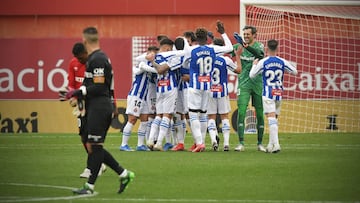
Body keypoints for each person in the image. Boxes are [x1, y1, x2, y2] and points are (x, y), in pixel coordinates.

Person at [69, 27, 134, 195]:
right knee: (92, 145)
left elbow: (99, 87)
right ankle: (124, 174)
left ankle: (90, 186)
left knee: (95, 146)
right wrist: (76, 92)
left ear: (85, 41)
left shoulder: (98, 59)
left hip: (99, 106)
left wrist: (80, 91)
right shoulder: (95, 59)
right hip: (95, 105)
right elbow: (92, 84)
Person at [183, 20, 233, 152]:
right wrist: (223, 33)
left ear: (196, 38)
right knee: (204, 114)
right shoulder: (213, 49)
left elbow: (184, 64)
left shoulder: (191, 50)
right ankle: (201, 142)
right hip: (207, 86)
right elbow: (230, 48)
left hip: (195, 86)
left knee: (193, 114)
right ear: (206, 38)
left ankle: (199, 143)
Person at [60, 42, 107, 178]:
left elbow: (101, 85)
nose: (80, 61)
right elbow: (71, 83)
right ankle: (99, 164)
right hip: (81, 104)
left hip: (93, 102)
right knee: (83, 136)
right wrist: (72, 96)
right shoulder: (73, 64)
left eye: (81, 58)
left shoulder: (94, 63)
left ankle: (92, 167)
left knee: (92, 136)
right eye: (78, 59)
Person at [249, 39, 298, 153]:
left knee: (271, 119)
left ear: (267, 48)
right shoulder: (282, 61)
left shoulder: (264, 62)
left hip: (268, 93)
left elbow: (252, 75)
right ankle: (271, 145)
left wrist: (254, 65)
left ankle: (276, 145)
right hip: (278, 93)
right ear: (277, 48)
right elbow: (295, 71)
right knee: (274, 119)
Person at [119, 46, 159, 152]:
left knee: (145, 120)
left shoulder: (151, 65)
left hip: (144, 97)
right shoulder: (142, 63)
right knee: (132, 119)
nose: (154, 56)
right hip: (136, 95)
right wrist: (146, 60)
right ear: (148, 53)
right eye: (152, 53)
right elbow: (138, 69)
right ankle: (124, 144)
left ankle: (140, 145)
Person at [233, 25, 266, 152]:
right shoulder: (238, 46)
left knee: (260, 114)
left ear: (254, 35)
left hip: (257, 84)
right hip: (244, 85)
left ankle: (260, 144)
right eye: (244, 34)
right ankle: (241, 143)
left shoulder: (259, 46)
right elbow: (226, 50)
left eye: (248, 34)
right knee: (241, 112)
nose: (246, 36)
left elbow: (260, 55)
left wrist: (246, 46)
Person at [207, 38, 242, 151]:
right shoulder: (226, 60)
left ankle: (213, 140)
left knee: (211, 117)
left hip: (210, 91)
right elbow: (238, 70)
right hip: (222, 91)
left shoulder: (208, 59)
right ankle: (226, 144)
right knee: (224, 117)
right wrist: (237, 56)